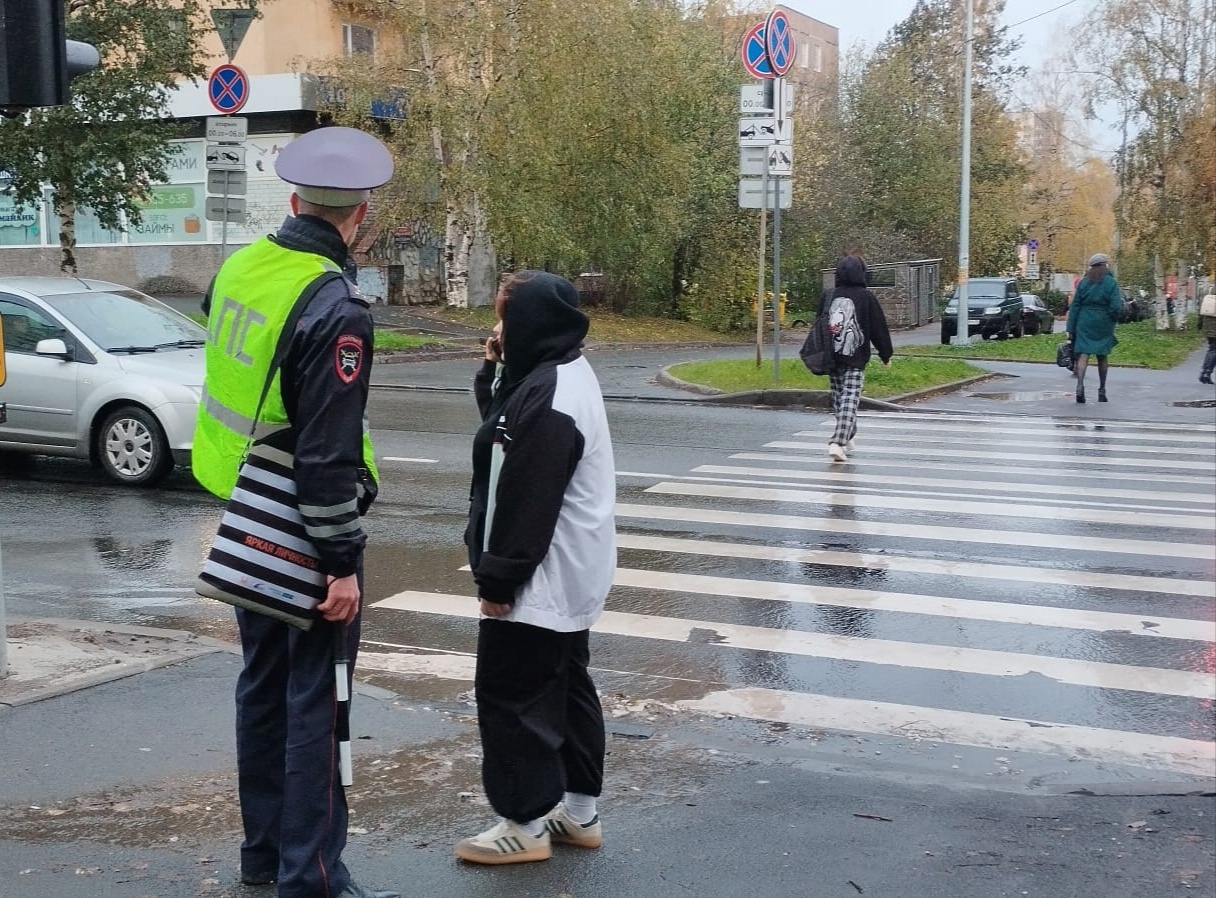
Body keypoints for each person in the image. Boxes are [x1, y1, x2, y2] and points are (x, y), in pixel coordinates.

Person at [193, 127, 398, 898]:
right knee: (319, 699)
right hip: (303, 525)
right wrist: (341, 561)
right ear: (361, 216)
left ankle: (263, 853)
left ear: (292, 201)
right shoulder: (336, 307)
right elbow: (326, 450)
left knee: (261, 685)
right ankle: (309, 875)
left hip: (242, 508)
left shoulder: (242, 266)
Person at [455, 270, 616, 866]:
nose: (496, 327)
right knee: (567, 686)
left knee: (512, 692)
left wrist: (499, 578)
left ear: (530, 324)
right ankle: (578, 812)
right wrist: (496, 368)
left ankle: (522, 823)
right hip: (571, 569)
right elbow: (500, 430)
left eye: (504, 316)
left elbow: (525, 496)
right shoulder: (558, 373)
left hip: (539, 576)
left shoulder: (550, 397)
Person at [817, 254, 893, 462]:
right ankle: (837, 442)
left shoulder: (828, 295)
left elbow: (819, 324)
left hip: (831, 356)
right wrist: (885, 353)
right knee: (849, 398)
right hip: (856, 358)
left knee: (840, 399)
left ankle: (846, 434)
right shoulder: (866, 297)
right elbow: (879, 328)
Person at [1066, 253, 1122, 403]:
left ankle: (1079, 386)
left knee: (1083, 354)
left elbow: (1075, 306)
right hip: (1103, 322)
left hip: (1084, 321)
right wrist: (1112, 319)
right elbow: (1116, 306)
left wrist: (1071, 328)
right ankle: (1102, 390)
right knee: (1102, 356)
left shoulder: (1084, 282)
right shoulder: (1111, 283)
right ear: (1105, 265)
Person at [1199, 289, 1216, 384]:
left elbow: (1201, 314)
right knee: (1214, 350)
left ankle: (1205, 372)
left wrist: (1200, 327)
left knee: (1212, 349)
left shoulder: (1207, 299)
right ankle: (1206, 373)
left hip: (1208, 329)